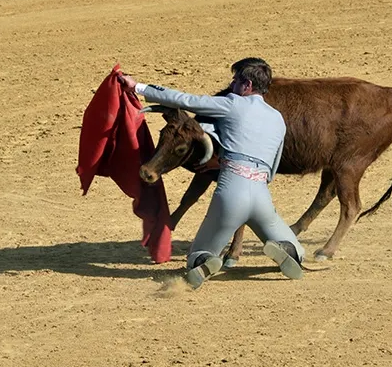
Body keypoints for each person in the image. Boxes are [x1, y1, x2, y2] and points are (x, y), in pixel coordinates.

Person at [119, 57, 305, 289]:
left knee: (199, 253)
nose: (232, 85)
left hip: (232, 191)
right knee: (295, 249)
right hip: (261, 194)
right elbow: (273, 165)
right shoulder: (278, 119)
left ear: (247, 85)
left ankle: (205, 260)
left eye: (235, 81)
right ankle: (287, 248)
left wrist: (137, 87)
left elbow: (185, 100)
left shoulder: (231, 104)